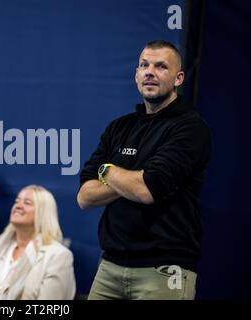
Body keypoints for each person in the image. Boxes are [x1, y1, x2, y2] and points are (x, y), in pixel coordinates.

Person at [77, 40, 212, 300]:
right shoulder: (119, 127)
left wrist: (107, 170)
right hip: (109, 267)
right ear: (136, 74)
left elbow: (147, 189)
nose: (150, 71)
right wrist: (130, 176)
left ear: (178, 78)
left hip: (163, 270)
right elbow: (84, 196)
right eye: (144, 65)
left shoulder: (191, 128)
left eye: (161, 66)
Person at [0, 185, 76, 300]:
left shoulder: (58, 256)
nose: (18, 206)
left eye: (27, 203)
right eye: (17, 201)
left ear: (43, 213)